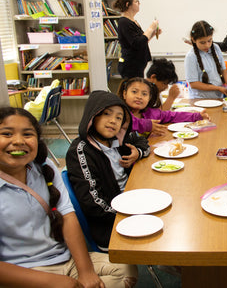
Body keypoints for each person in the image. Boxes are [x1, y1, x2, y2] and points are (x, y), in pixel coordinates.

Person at [0, 107, 137, 287]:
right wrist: (55, 282)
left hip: (62, 258)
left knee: (126, 270)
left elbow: (68, 217)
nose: (18, 141)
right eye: (7, 134)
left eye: (27, 134)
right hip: (22, 272)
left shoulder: (44, 166)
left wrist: (85, 271)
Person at [66, 91, 150, 250]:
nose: (113, 121)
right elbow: (94, 203)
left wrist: (137, 153)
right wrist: (131, 214)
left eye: (119, 118)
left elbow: (142, 141)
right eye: (106, 114)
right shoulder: (81, 151)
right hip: (111, 223)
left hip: (132, 200)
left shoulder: (118, 138)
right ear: (93, 117)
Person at [118, 77, 210, 136]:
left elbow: (171, 115)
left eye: (144, 94)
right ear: (125, 94)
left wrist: (197, 116)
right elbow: (128, 122)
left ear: (149, 98)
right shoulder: (120, 113)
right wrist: (147, 125)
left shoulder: (150, 113)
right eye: (134, 92)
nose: (139, 97)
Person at [113, 0, 162, 79]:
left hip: (137, 65)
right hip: (130, 66)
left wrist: (153, 34)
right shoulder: (124, 22)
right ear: (128, 4)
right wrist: (150, 28)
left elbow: (142, 41)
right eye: (136, 1)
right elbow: (137, 43)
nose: (139, 3)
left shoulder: (132, 21)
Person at [185, 21, 227, 99]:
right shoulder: (191, 56)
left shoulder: (216, 48)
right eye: (202, 42)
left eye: (209, 40)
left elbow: (223, 70)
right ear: (193, 40)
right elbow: (193, 84)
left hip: (217, 98)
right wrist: (218, 88)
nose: (207, 45)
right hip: (198, 100)